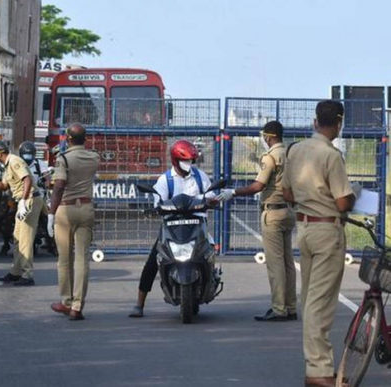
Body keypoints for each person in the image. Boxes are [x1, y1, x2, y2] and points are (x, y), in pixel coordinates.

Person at [282, 100, 356, 387]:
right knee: (320, 304)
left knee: (311, 297)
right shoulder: (331, 155)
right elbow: (341, 200)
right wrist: (353, 198)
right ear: (338, 124)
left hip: (305, 229)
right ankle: (319, 372)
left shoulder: (296, 150)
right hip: (328, 231)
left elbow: (287, 194)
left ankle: (319, 366)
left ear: (315, 122)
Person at [217, 121, 297, 322]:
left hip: (273, 213)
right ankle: (290, 307)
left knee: (275, 263)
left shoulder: (270, 157)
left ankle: (279, 308)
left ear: (269, 137)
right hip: (288, 211)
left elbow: (258, 186)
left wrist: (233, 192)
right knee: (288, 262)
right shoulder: (289, 155)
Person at [128, 140, 215, 318]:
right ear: (175, 160)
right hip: (172, 226)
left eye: (191, 160)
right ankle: (139, 304)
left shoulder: (200, 177)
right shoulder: (165, 180)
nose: (189, 164)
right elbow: (157, 200)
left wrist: (212, 200)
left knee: (208, 252)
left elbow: (211, 194)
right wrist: (159, 206)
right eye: (185, 160)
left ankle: (210, 281)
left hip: (196, 225)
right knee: (153, 262)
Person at [48, 123, 100, 320]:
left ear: (68, 139)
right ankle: (77, 306)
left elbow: (59, 185)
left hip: (66, 209)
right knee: (82, 259)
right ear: (85, 139)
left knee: (64, 259)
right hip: (86, 207)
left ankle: (66, 301)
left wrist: (51, 212)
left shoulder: (64, 159)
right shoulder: (94, 157)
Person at [0, 140, 42, 286]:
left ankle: (27, 274)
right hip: (23, 200)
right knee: (17, 238)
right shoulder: (6, 165)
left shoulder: (14, 161)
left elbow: (27, 180)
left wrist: (24, 202)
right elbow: (4, 186)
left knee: (25, 239)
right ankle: (16, 272)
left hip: (29, 200)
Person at [18, 141, 56, 255]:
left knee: (48, 217)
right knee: (5, 215)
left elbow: (47, 178)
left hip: (38, 196)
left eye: (30, 155)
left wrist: (46, 182)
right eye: (25, 155)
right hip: (20, 196)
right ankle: (5, 244)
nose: (27, 157)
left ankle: (52, 245)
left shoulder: (40, 164)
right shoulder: (18, 163)